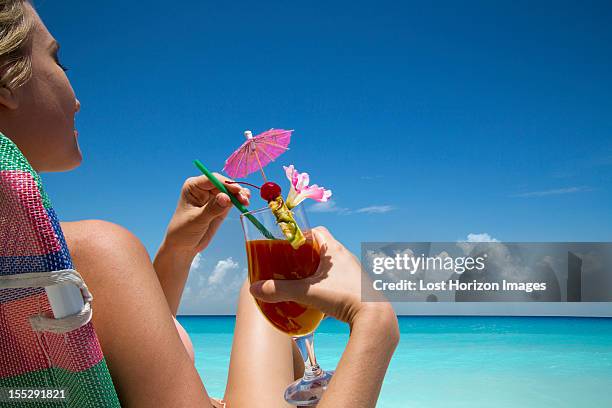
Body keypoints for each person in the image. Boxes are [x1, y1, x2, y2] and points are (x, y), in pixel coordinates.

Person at [0, 1, 399, 407]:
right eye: (56, 58)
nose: (77, 97)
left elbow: (127, 347)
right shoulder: (92, 250)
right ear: (5, 86)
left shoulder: (28, 261)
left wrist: (177, 251)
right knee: (263, 288)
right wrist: (374, 324)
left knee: (260, 287)